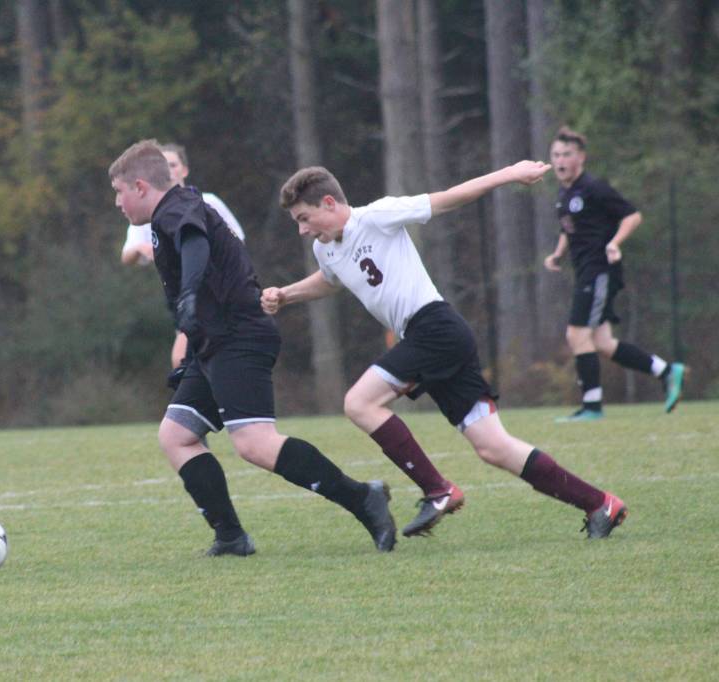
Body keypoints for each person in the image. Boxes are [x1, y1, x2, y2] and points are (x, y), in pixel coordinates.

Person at [261, 161, 628, 540]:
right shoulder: (327, 250)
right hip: (433, 338)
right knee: (494, 447)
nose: (303, 230)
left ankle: (438, 490)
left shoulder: (377, 217)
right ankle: (600, 504)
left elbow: (449, 199)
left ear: (328, 203)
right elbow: (330, 280)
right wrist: (286, 295)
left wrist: (510, 173)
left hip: (434, 328)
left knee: (359, 403)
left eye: (305, 218)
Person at [109, 139, 397, 556]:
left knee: (254, 444)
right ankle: (230, 536)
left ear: (139, 186)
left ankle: (362, 499)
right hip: (214, 342)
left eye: (118, 192)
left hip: (239, 336)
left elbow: (195, 244)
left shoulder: (176, 208)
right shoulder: (174, 210)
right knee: (177, 435)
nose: (117, 202)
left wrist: (188, 294)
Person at [545, 126, 684, 422]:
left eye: (566, 154)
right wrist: (558, 254)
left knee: (576, 334)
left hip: (598, 271)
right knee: (604, 343)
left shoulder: (594, 188)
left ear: (580, 157)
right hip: (585, 271)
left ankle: (592, 407)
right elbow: (569, 228)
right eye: (555, 154)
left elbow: (632, 216)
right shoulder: (565, 194)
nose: (560, 160)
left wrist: (614, 243)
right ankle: (667, 371)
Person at [120, 143, 246, 370]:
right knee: (186, 361)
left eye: (173, 164)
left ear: (184, 170)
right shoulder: (149, 212)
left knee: (187, 358)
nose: (168, 169)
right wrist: (140, 249)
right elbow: (127, 254)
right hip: (181, 298)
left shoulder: (206, 202)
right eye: (163, 165)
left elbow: (236, 240)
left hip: (215, 294)